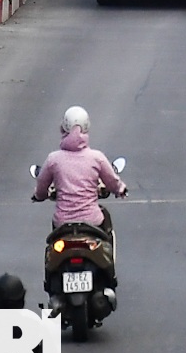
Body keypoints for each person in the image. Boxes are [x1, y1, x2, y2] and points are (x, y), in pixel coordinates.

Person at [32, 105, 127, 249]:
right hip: (93, 221)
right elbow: (112, 182)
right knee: (105, 226)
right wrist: (120, 190)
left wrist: (39, 196)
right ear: (86, 127)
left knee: (51, 246)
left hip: (62, 223)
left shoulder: (53, 159)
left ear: (63, 128)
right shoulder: (97, 158)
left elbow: (41, 186)